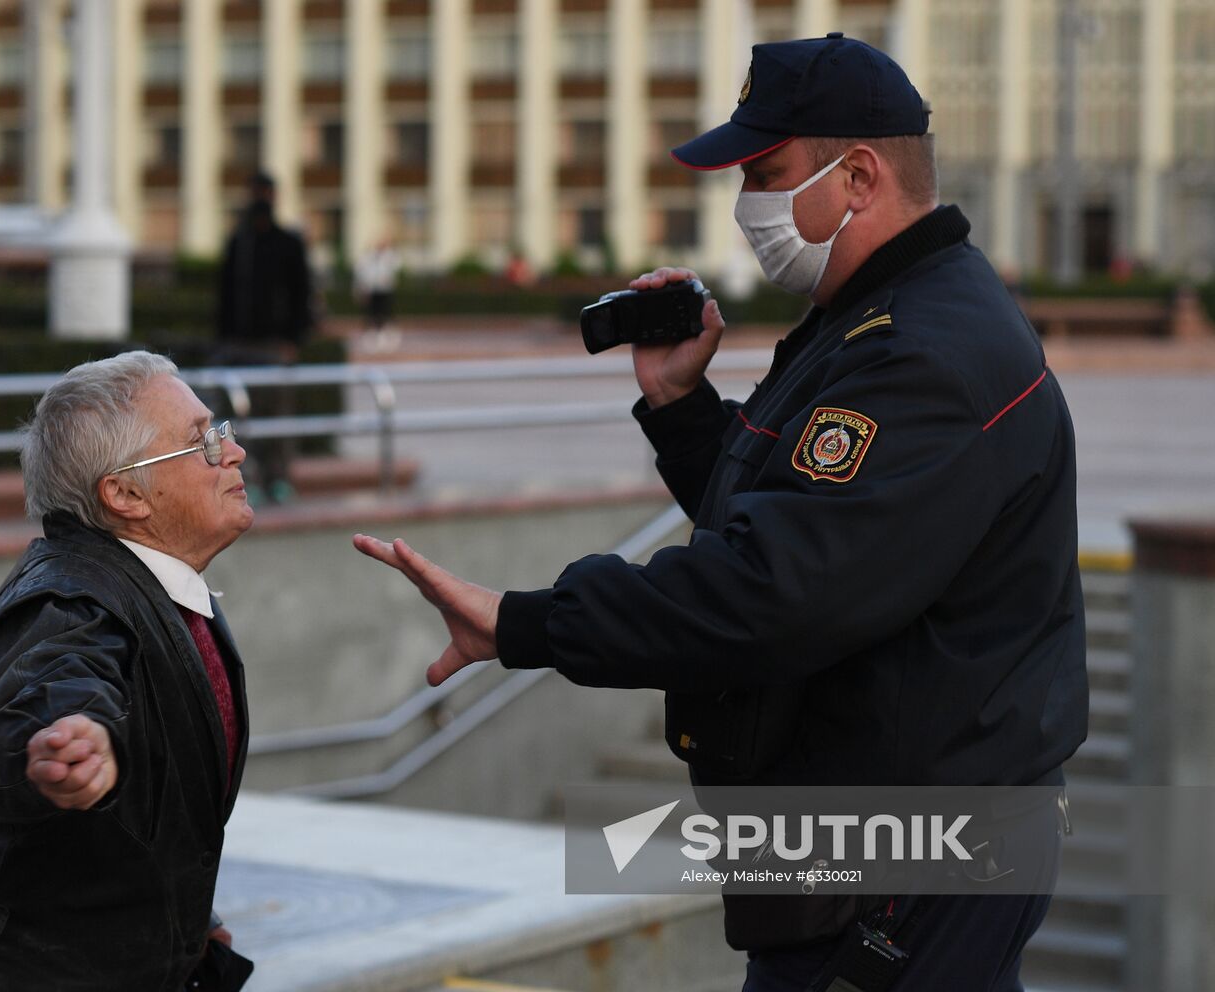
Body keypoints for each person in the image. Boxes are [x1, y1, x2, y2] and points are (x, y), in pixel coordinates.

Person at [354, 34, 1088, 992]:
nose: (749, 205)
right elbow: (808, 528)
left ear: (859, 175)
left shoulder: (926, 355)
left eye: (768, 171)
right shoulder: (873, 317)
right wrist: (681, 407)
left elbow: (774, 591)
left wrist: (525, 621)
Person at [0, 352, 256, 991]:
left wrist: (182, 920)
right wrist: (73, 733)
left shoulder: (158, 589)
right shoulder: (68, 603)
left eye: (221, 430)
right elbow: (52, 686)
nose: (231, 452)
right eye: (201, 441)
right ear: (125, 495)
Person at [217, 171, 314, 502]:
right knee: (243, 417)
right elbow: (225, 294)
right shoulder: (238, 243)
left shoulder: (288, 243)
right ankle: (250, 479)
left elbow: (302, 295)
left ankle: (279, 477)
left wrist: (293, 341)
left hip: (275, 346)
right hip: (239, 345)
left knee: (278, 416)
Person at [353, 238, 401, 353]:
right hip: (372, 290)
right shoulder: (368, 257)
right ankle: (372, 336)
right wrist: (362, 288)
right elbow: (362, 272)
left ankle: (386, 336)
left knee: (385, 312)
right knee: (371, 313)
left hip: (385, 290)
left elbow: (394, 267)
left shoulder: (389, 256)